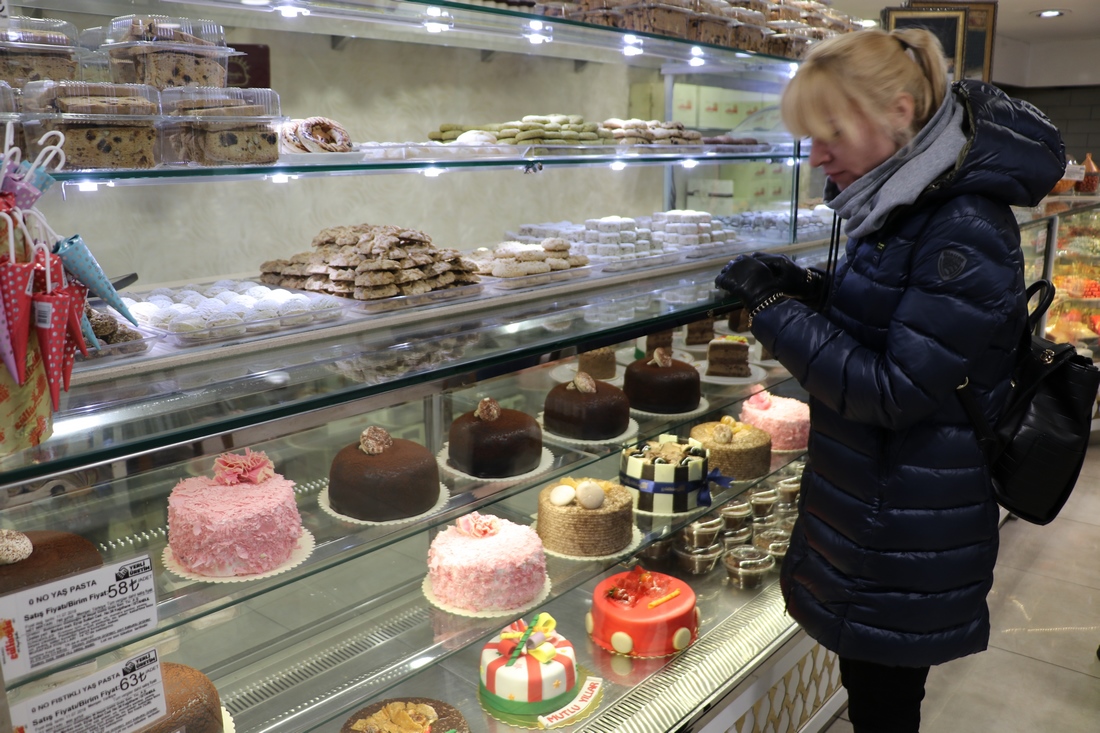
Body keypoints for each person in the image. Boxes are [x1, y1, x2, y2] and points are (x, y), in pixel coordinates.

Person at [715, 28, 1065, 733]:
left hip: (908, 521)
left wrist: (775, 310)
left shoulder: (962, 226)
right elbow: (887, 318)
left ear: (899, 113)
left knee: (884, 705)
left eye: (831, 133)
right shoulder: (906, 203)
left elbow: (893, 388)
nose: (816, 156)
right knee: (874, 691)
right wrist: (807, 288)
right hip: (883, 508)